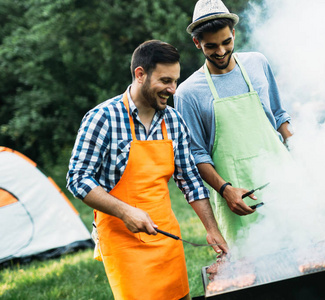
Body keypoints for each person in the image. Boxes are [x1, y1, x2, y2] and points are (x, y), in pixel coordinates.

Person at [67, 40, 228, 300]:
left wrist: (211, 228)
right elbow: (77, 178)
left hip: (166, 237)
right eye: (165, 81)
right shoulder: (102, 118)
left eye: (175, 81)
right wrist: (125, 211)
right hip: (122, 241)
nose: (172, 89)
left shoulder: (173, 120)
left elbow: (189, 180)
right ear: (140, 74)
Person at [174, 0, 294, 243]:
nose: (220, 52)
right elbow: (197, 154)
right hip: (235, 196)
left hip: (283, 180)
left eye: (226, 42)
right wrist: (226, 191)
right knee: (251, 265)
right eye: (211, 46)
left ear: (234, 34)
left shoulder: (257, 63)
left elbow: (279, 115)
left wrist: (300, 154)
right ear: (197, 43)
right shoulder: (187, 93)